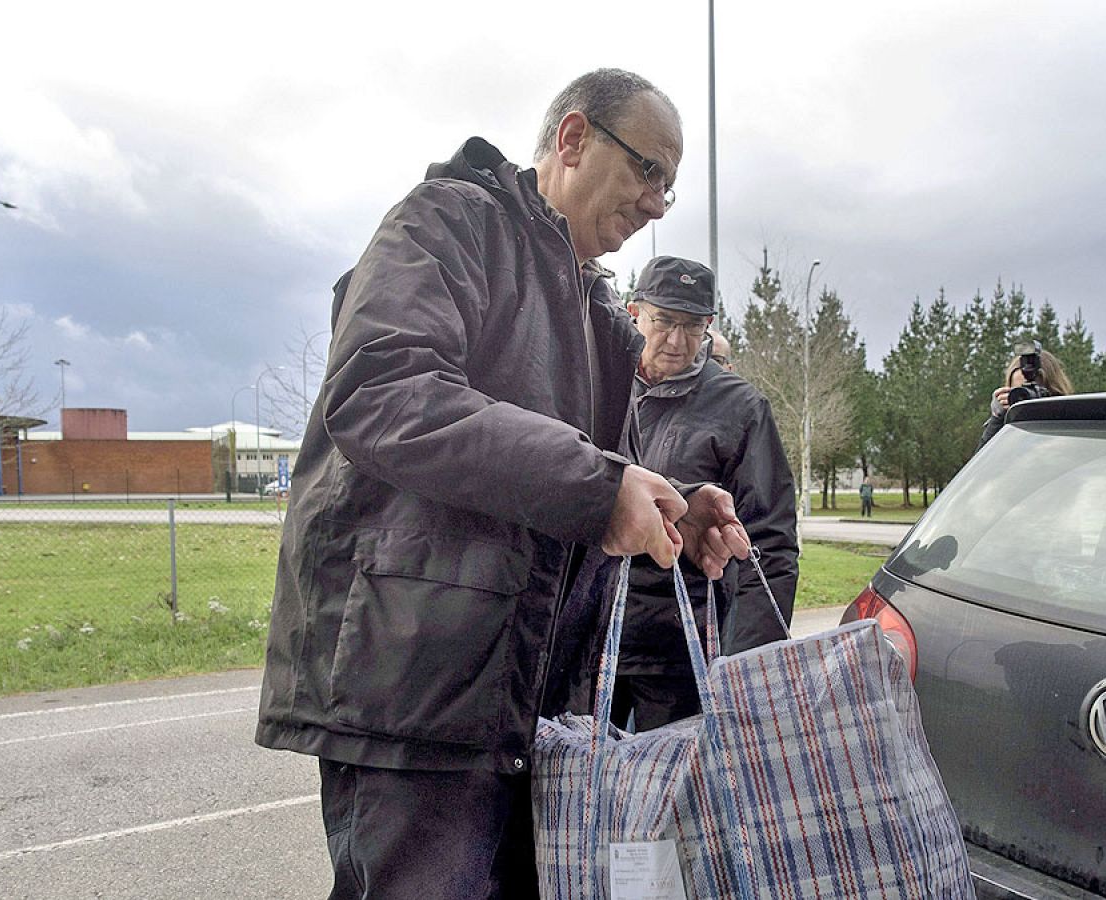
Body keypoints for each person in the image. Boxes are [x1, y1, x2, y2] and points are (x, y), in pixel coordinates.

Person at [255, 70, 751, 900]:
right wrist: (601, 488)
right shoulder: (448, 223)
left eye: (670, 184)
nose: (660, 203)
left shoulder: (593, 308)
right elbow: (380, 394)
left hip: (527, 711)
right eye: (648, 170)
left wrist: (670, 511)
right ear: (571, 139)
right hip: (418, 698)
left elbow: (581, 488)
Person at [609, 256, 799, 732]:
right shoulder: (599, 383)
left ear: (710, 326)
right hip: (589, 645)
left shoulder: (741, 407)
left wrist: (746, 669)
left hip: (682, 653)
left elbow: (769, 544)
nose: (676, 341)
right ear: (635, 311)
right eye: (664, 321)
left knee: (676, 800)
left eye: (693, 326)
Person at [977, 343, 1075, 448]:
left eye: (1032, 390)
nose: (1024, 399)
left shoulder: (1075, 428)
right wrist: (997, 420)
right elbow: (983, 462)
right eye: (1019, 392)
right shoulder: (1008, 432)